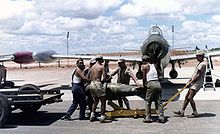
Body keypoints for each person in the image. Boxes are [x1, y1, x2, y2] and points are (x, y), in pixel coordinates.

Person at [174, 51, 207, 118]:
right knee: (187, 97)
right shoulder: (199, 63)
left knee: (190, 98)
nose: (196, 57)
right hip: (194, 82)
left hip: (197, 83)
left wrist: (192, 81)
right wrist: (190, 80)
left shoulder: (203, 64)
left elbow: (198, 75)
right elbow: (195, 73)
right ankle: (182, 112)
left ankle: (195, 113)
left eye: (198, 56)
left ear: (201, 56)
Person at [141, 55, 165, 123]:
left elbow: (144, 78)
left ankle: (148, 117)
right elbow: (160, 73)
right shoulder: (154, 65)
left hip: (151, 83)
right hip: (158, 83)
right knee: (159, 101)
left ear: (144, 60)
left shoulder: (144, 66)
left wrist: (144, 86)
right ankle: (161, 117)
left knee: (148, 101)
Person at [88, 55, 109, 123]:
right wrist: (108, 79)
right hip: (98, 84)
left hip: (92, 84)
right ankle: (102, 116)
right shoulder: (101, 67)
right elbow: (105, 77)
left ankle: (92, 115)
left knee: (95, 101)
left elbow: (89, 77)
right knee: (103, 101)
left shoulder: (92, 67)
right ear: (100, 60)